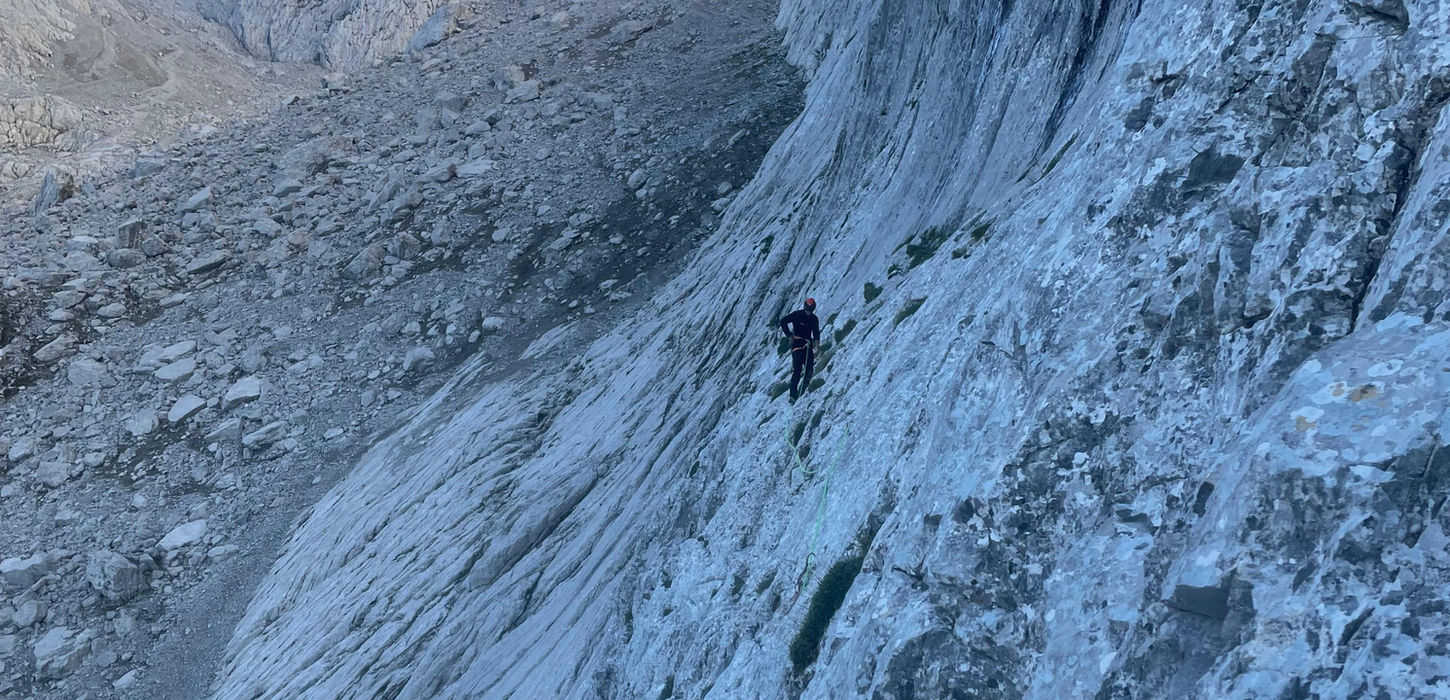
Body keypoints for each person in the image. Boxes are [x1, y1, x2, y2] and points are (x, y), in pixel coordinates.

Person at [779, 298, 820, 400]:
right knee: (797, 369)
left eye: (811, 310)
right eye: (808, 310)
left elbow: (816, 332)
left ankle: (802, 391)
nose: (809, 312)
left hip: (808, 344)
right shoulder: (797, 315)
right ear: (805, 307)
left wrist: (817, 345)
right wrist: (789, 335)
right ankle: (793, 395)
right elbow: (783, 321)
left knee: (809, 370)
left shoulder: (814, 319)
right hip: (797, 343)